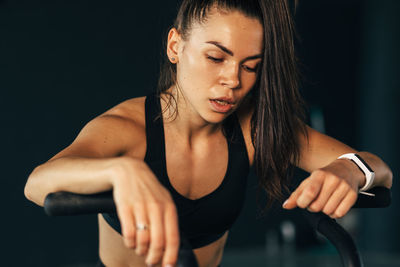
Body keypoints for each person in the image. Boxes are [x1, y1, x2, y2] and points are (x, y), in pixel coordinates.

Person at [24, 0, 393, 267]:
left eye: (250, 67)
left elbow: (378, 169)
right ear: (175, 46)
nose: (232, 81)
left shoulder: (252, 130)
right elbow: (38, 183)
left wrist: (348, 169)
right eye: (216, 58)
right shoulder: (128, 128)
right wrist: (121, 171)